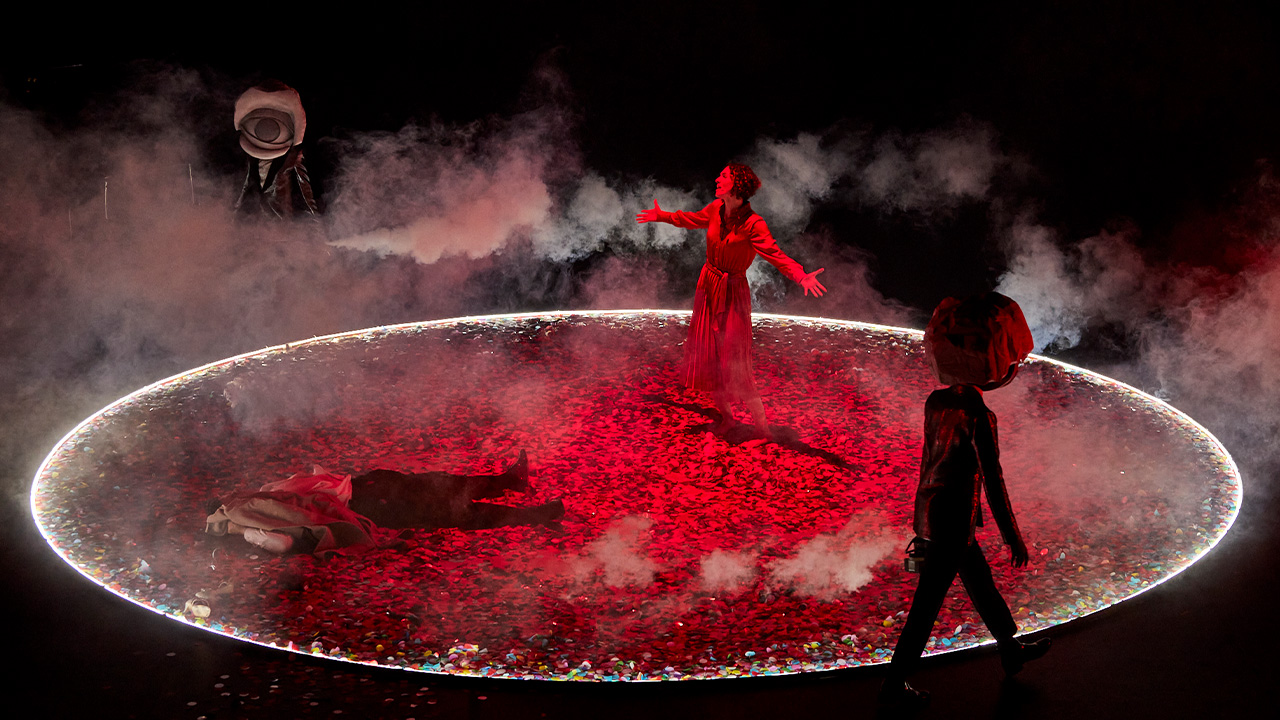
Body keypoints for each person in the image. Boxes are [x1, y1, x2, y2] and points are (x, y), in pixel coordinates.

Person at [879, 293, 1050, 710]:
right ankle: (892, 685)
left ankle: (1011, 650)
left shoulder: (935, 403)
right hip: (953, 526)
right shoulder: (979, 416)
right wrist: (1013, 536)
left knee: (981, 585)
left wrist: (919, 524)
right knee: (926, 609)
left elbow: (928, 465)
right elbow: (993, 479)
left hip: (937, 518)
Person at [636, 164, 826, 437]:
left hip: (732, 292)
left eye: (724, 176)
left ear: (737, 185)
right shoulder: (716, 209)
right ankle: (728, 418)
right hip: (708, 286)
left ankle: (764, 431)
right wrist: (662, 216)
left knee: (734, 360)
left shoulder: (753, 224)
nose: (717, 178)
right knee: (709, 357)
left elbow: (776, 255)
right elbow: (690, 219)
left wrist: (801, 276)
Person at [206, 451, 565, 556]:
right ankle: (535, 514)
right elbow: (283, 536)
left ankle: (508, 481)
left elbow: (307, 491)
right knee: (448, 508)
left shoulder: (254, 497)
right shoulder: (240, 515)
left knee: (440, 485)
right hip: (369, 502)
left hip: (363, 487)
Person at [232, 80, 320, 220]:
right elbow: (244, 187)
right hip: (256, 227)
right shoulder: (251, 158)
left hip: (281, 228)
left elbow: (305, 192)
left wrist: (315, 223)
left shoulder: (291, 159)